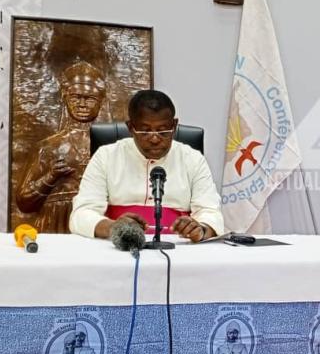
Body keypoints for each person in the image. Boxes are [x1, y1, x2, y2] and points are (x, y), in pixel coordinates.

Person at [70, 89, 224, 241]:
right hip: (119, 249)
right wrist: (112, 227)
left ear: (175, 125)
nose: (155, 139)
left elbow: (210, 212)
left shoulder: (193, 159)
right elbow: (82, 213)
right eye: (145, 132)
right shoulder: (106, 156)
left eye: (163, 131)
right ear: (131, 128)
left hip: (179, 249)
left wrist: (201, 229)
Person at [17, 60, 106, 233]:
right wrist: (50, 177)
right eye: (75, 97)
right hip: (56, 221)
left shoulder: (111, 146)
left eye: (89, 99)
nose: (81, 104)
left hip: (97, 220)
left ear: (101, 101)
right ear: (65, 98)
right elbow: (23, 201)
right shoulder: (50, 146)